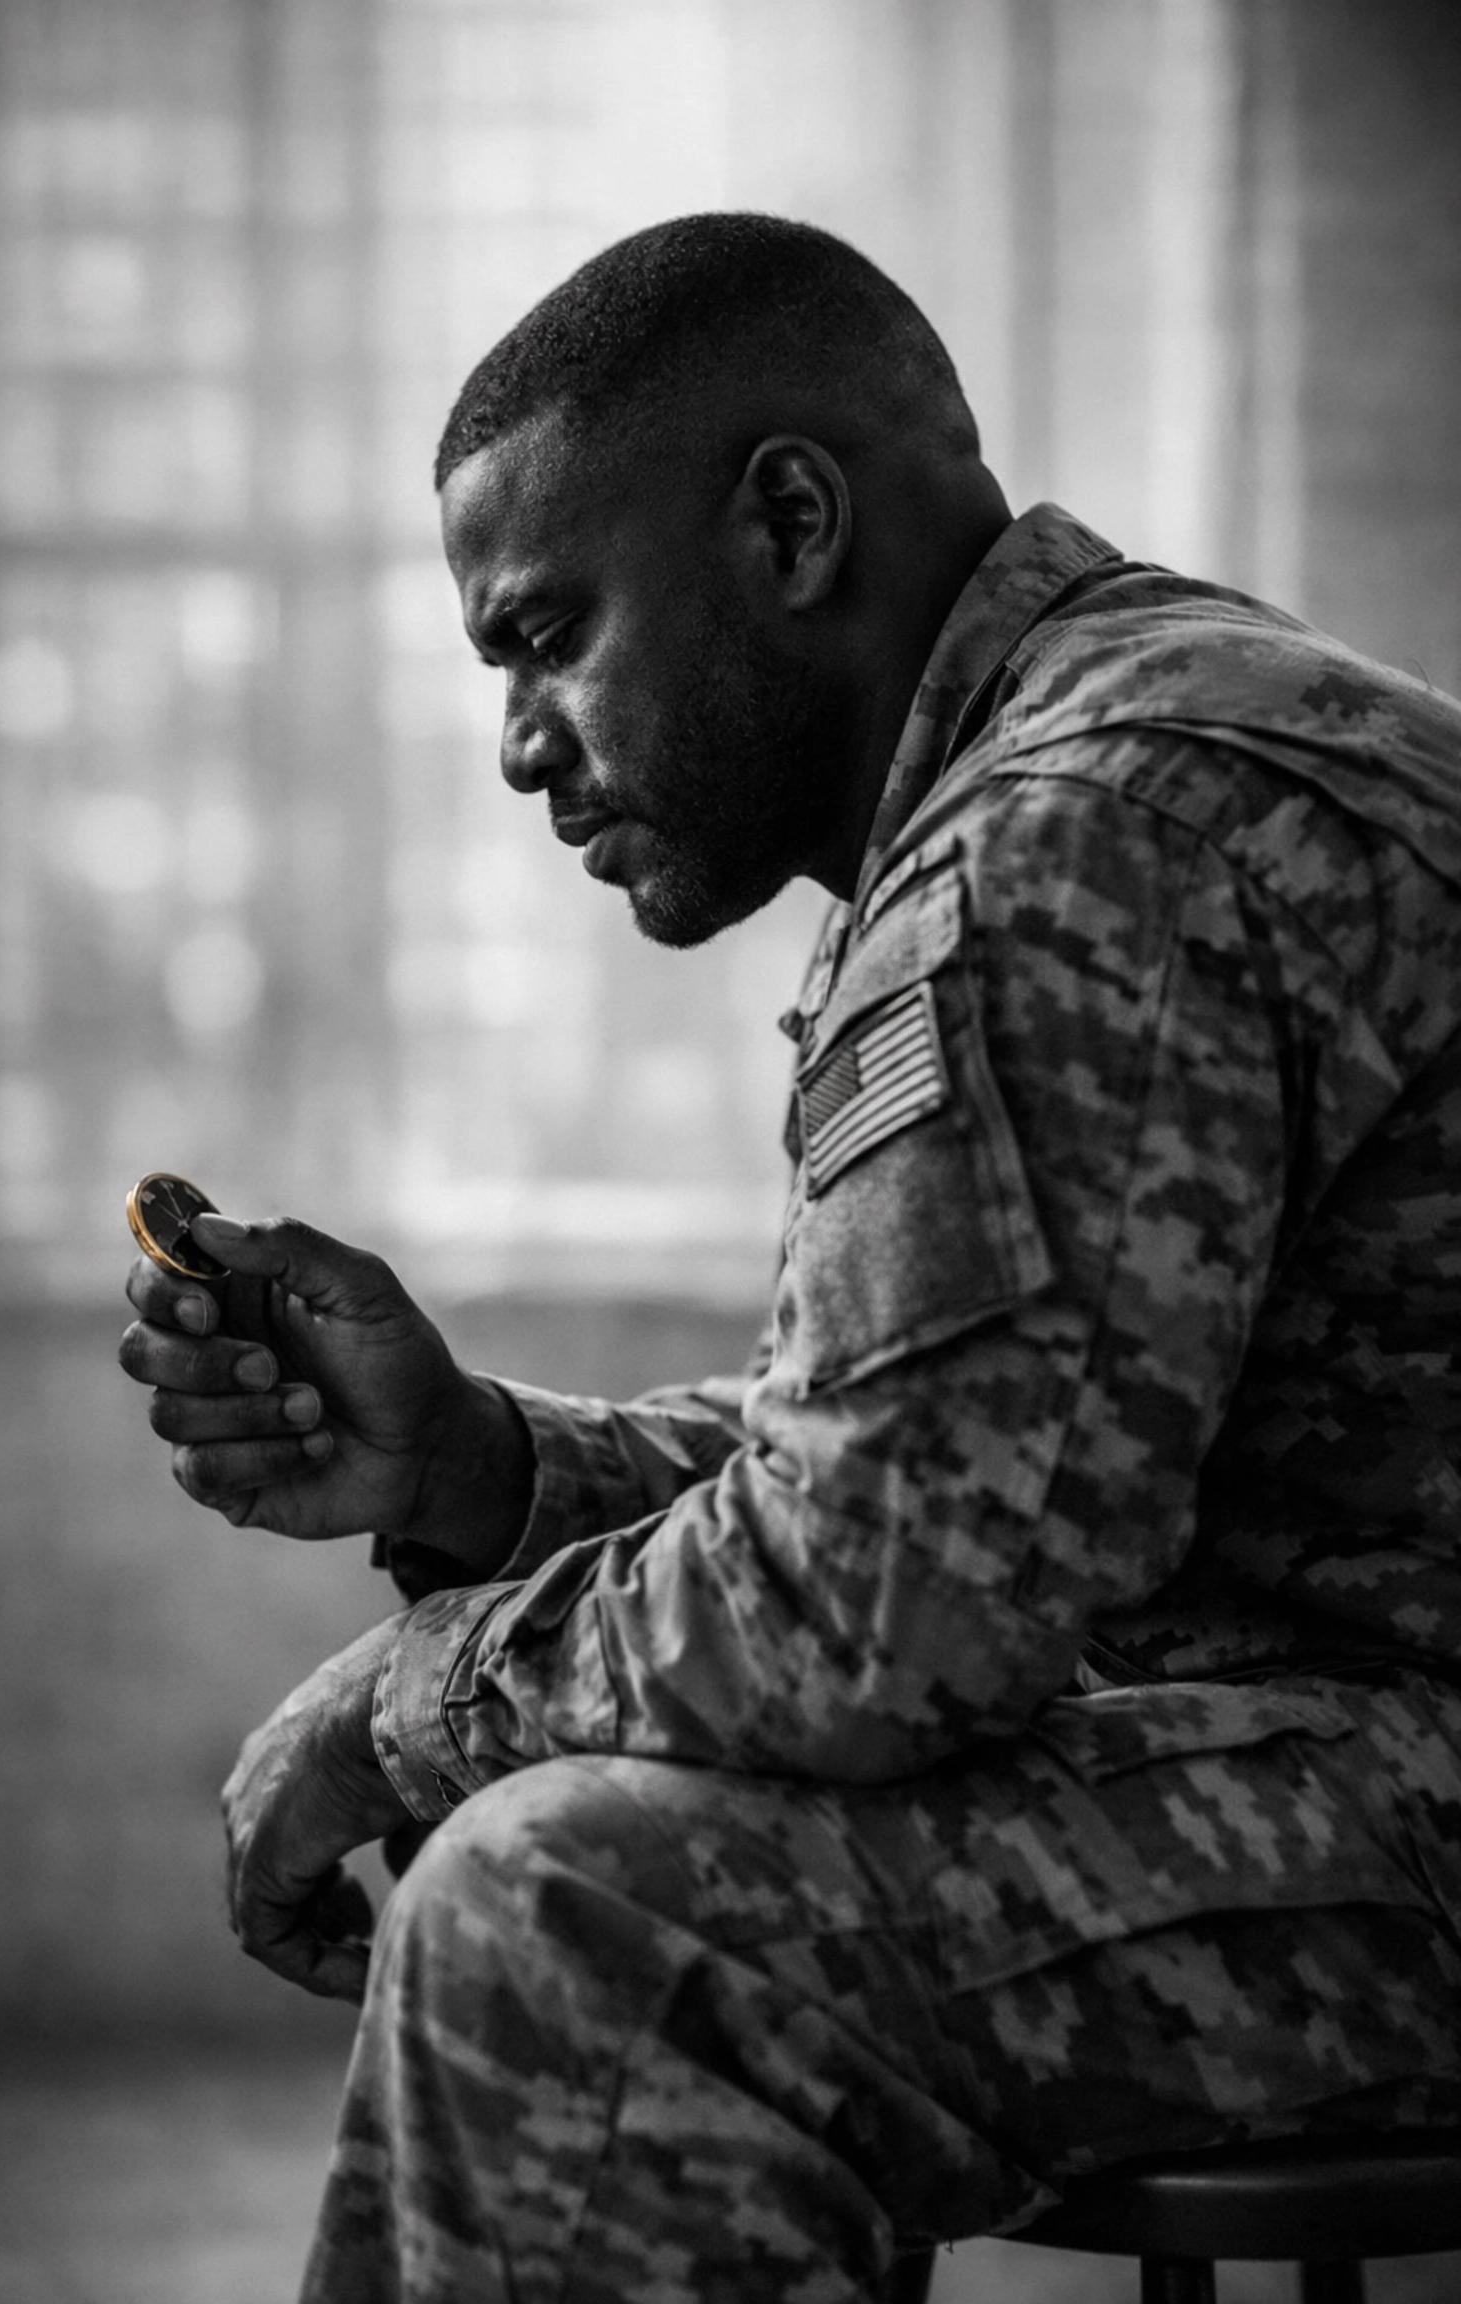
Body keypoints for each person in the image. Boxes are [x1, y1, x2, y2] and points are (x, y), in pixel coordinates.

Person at [119, 214, 1461, 2304]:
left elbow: (893, 1607)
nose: (520, 745)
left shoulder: (1078, 830)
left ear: (789, 522)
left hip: (1418, 1778)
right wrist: (479, 1467)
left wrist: (421, 1698)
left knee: (578, 1921)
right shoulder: (1073, 760)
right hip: (1363, 1738)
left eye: (548, 634)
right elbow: (943, 1443)